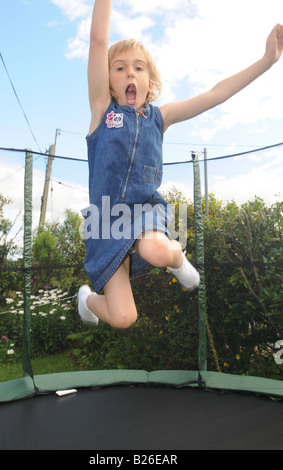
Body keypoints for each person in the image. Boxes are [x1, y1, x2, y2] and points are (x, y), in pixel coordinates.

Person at [78, 0, 283, 329]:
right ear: (109, 80)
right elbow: (98, 40)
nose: (130, 72)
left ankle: (177, 258)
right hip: (106, 224)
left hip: (144, 212)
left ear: (150, 80)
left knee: (159, 253)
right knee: (123, 318)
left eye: (139, 67)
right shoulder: (103, 110)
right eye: (119, 67)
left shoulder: (161, 117)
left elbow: (215, 95)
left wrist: (266, 61)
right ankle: (87, 298)